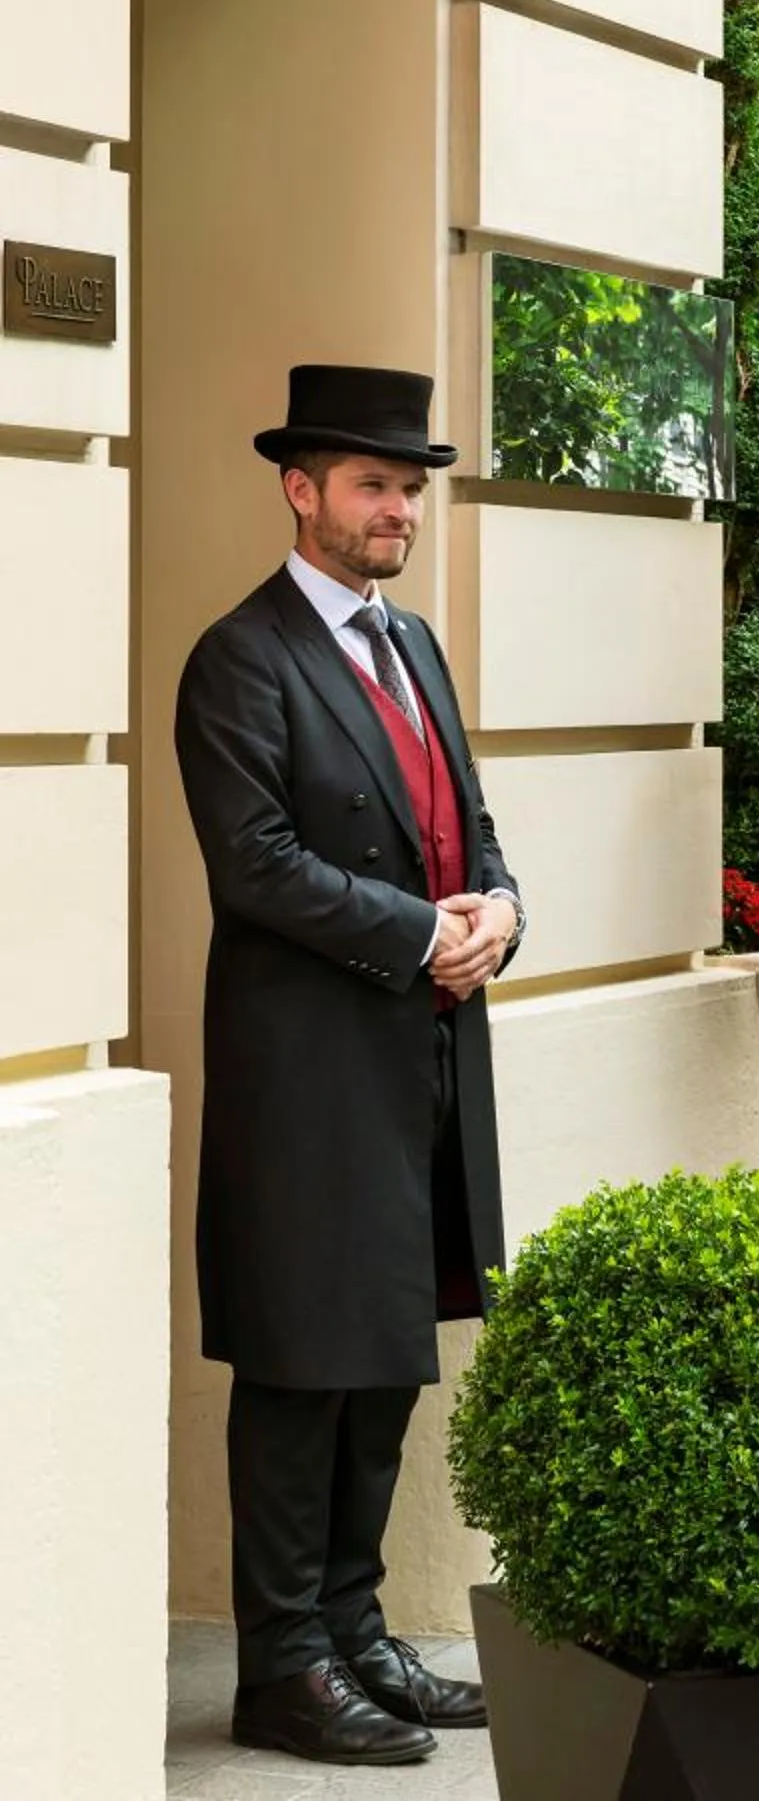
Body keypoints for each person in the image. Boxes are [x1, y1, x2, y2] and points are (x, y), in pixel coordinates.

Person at [176, 365, 525, 1766]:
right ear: (300, 488)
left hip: (422, 1057)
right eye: (373, 484)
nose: (398, 510)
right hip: (307, 1070)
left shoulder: (417, 644)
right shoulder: (240, 656)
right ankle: (283, 1664)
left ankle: (357, 1632)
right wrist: (418, 936)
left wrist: (499, 911)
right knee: (300, 1365)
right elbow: (253, 866)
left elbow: (472, 828)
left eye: (411, 487)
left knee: (382, 1360)